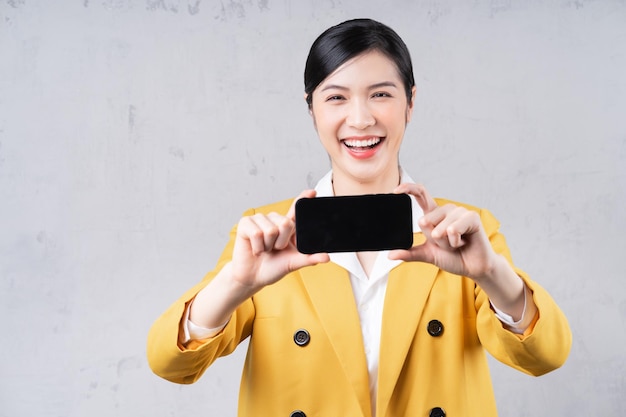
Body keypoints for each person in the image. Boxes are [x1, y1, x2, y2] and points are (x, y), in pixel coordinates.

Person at [147, 18, 571, 417]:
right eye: (336, 97)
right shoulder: (266, 232)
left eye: (381, 94)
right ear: (311, 108)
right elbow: (171, 364)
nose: (361, 118)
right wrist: (236, 284)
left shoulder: (465, 229)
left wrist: (491, 274)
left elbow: (544, 357)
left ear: (411, 101)